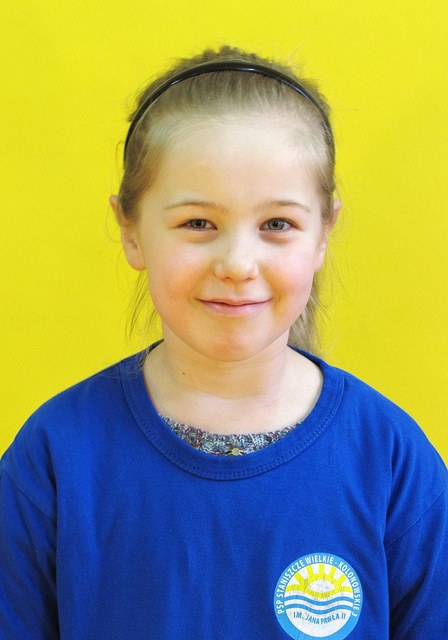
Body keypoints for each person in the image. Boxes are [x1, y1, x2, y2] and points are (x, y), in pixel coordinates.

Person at [1, 46, 447, 640]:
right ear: (130, 231)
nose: (237, 263)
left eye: (277, 224)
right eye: (198, 223)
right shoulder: (55, 455)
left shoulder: (390, 459)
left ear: (323, 234)